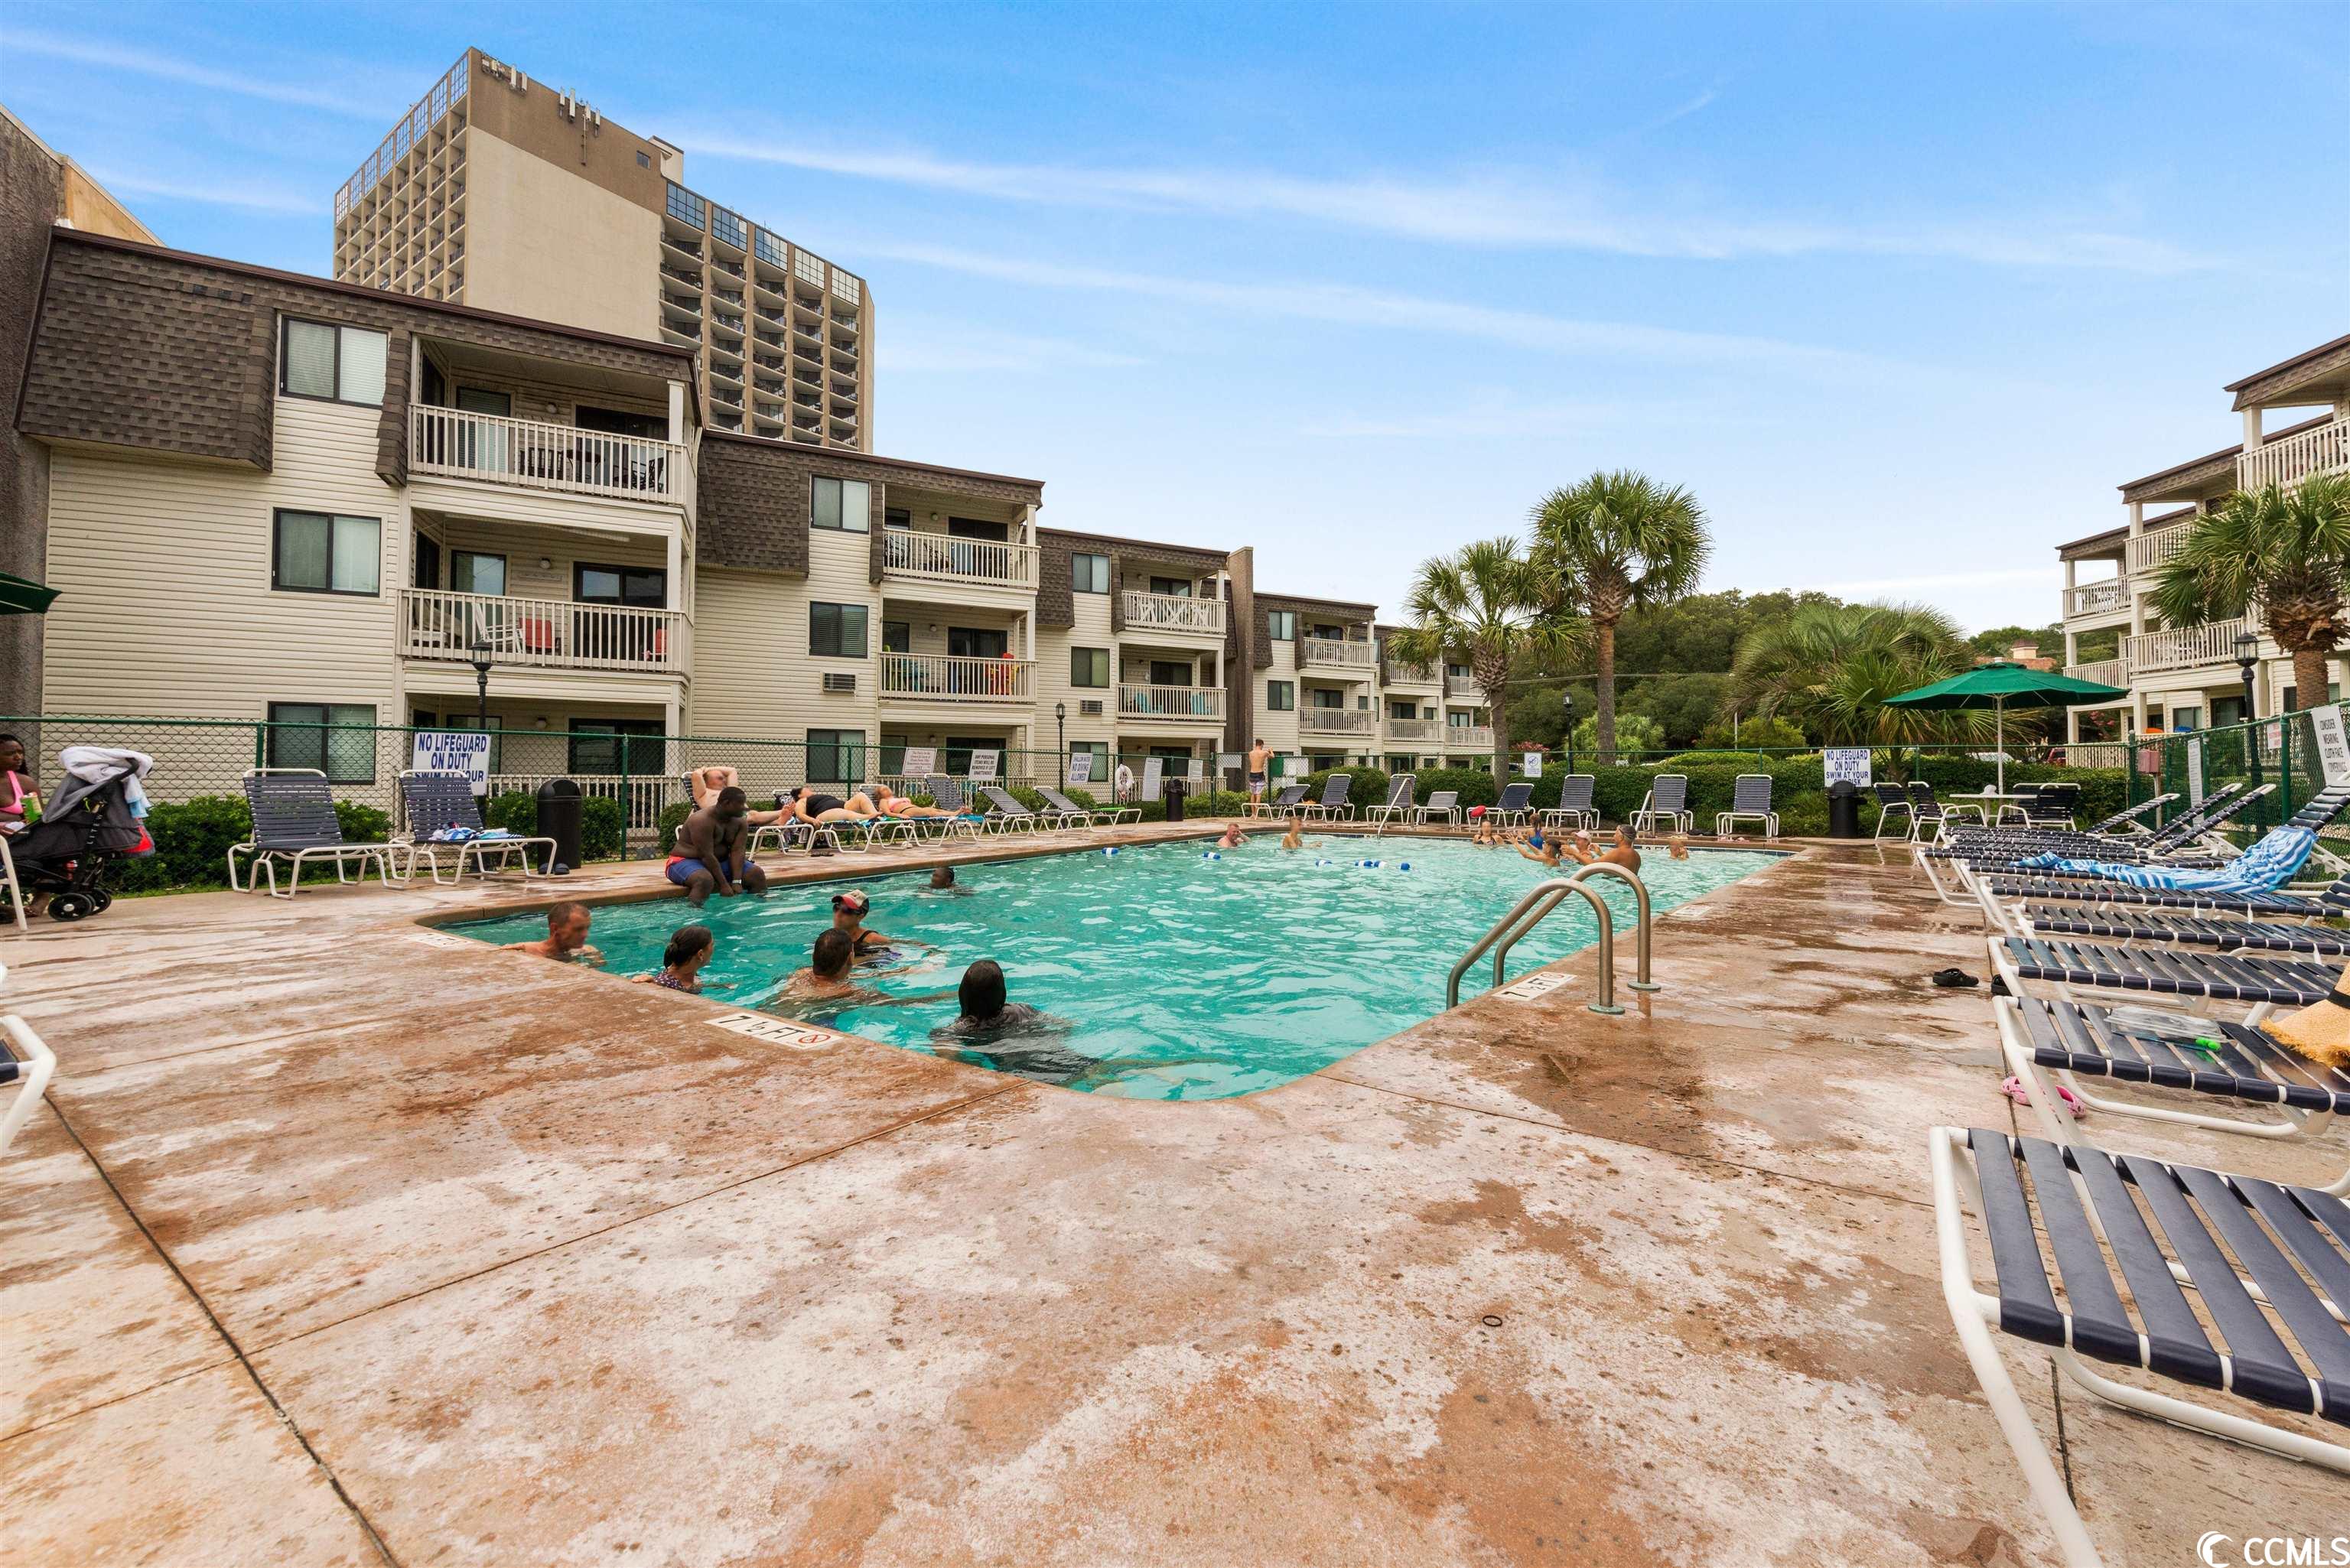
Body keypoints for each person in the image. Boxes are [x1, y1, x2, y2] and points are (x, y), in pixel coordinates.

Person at [669, 786, 770, 906]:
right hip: (684, 862)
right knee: (704, 880)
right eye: (740, 803)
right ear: (726, 803)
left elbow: (738, 850)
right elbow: (706, 856)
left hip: (720, 862)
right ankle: (692, 913)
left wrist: (737, 881)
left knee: (756, 874)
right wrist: (724, 885)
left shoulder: (740, 821)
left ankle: (757, 909)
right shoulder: (701, 820)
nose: (745, 807)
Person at [929, 958, 1050, 1042]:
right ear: (1002, 993)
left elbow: (946, 1057)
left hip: (1013, 1063)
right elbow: (1058, 1024)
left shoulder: (958, 1030)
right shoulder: (1022, 1009)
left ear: (963, 994)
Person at [688, 765, 787, 829]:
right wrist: (704, 769)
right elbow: (696, 774)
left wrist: (711, 769)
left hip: (738, 815)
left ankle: (777, 821)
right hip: (723, 818)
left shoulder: (728, 790)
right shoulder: (704, 793)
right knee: (753, 816)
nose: (724, 779)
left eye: (723, 777)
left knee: (753, 815)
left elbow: (732, 771)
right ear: (707, 780)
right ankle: (783, 812)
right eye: (719, 778)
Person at [503, 901, 602, 965]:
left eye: (587, 928)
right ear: (555, 928)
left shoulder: (589, 952)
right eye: (578, 929)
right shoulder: (527, 952)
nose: (585, 935)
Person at [636, 923, 714, 992]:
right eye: (712, 945)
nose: (713, 948)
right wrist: (651, 983)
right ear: (700, 954)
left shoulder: (691, 974)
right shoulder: (665, 984)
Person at [0, 734, 39, 839]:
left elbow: (35, 819)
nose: (18, 757)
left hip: (15, 841)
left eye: (21, 752)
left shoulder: (26, 783)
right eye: (10, 754)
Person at [1562, 825, 1642, 874]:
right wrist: (1600, 854)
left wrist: (1574, 853)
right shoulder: (1636, 855)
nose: (1613, 837)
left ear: (1621, 838)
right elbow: (1618, 863)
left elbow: (1593, 865)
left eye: (1615, 834)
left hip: (1618, 889)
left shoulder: (1619, 852)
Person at [1246, 738, 1271, 804]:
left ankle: (1253, 811)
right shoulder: (1264, 753)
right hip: (1260, 774)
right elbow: (1272, 756)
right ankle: (1257, 810)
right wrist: (1270, 751)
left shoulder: (1250, 753)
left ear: (1256, 744)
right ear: (1261, 745)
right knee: (1258, 794)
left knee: (1252, 794)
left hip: (1252, 774)